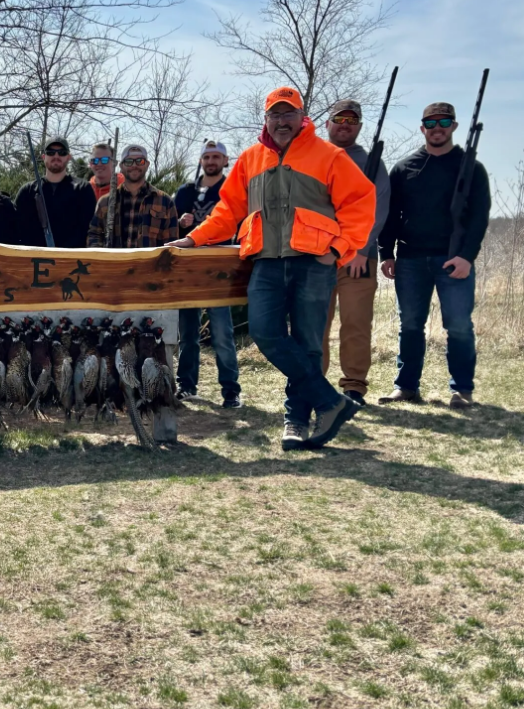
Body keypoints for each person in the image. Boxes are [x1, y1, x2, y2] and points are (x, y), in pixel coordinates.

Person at [168, 87, 375, 451]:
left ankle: (296, 420)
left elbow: (360, 203)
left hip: (314, 262)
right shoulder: (251, 159)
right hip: (265, 262)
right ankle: (330, 402)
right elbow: (228, 211)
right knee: (265, 333)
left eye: (288, 113)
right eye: (274, 115)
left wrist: (338, 250)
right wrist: (194, 239)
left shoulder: (329, 155)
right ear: (265, 120)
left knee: (309, 344)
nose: (282, 121)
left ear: (302, 116)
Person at [378, 101, 490, 409]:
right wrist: (386, 253)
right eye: (430, 123)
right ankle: (406, 387)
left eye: (443, 122)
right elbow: (391, 215)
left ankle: (462, 390)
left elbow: (480, 217)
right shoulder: (404, 168)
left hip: (453, 259)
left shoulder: (471, 167)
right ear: (422, 128)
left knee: (458, 325)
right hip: (411, 260)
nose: (437, 128)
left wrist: (467, 257)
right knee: (410, 325)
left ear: (454, 126)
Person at [319, 101, 391, 405]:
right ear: (328, 123)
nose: (345, 124)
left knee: (356, 324)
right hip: (316, 256)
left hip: (357, 259)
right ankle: (312, 384)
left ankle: (354, 387)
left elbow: (379, 207)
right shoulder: (313, 158)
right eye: (339, 118)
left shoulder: (372, 163)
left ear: (360, 126)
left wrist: (362, 248)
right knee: (313, 324)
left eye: (352, 120)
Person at [171, 139, 241, 408]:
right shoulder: (185, 192)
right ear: (201, 160)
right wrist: (181, 223)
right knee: (187, 334)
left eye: (216, 157)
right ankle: (186, 385)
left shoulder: (231, 190)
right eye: (207, 157)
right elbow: (171, 230)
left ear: (225, 161)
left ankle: (231, 390)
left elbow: (240, 222)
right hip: (189, 270)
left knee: (222, 332)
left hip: (219, 270)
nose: (211, 161)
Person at [86, 144, 178, 248]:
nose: (134, 165)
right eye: (128, 161)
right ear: (121, 166)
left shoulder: (165, 202)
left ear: (147, 164)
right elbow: (94, 235)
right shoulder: (105, 202)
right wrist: (102, 259)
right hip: (114, 263)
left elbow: (171, 244)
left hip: (150, 264)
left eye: (140, 161)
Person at [14, 138, 98, 248]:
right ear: (43, 157)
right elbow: (16, 230)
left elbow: (88, 230)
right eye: (51, 152)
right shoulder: (27, 192)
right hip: (33, 262)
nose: (56, 156)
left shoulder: (82, 189)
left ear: (68, 157)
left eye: (62, 153)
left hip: (72, 261)